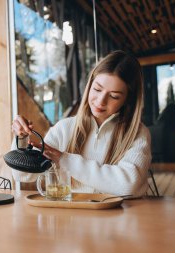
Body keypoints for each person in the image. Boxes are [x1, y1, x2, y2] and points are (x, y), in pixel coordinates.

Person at [11, 50, 151, 197]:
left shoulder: (137, 134)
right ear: (89, 85)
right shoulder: (64, 129)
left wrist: (64, 159)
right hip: (71, 216)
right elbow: (23, 176)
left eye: (114, 96)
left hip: (121, 218)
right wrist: (21, 139)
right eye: (97, 89)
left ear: (128, 100)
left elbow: (128, 185)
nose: (100, 101)